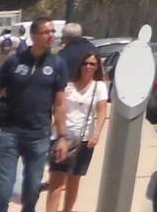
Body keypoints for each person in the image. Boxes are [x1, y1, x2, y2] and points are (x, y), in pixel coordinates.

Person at [0, 17, 68, 212]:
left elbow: (60, 104)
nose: (52, 36)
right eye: (47, 32)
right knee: (4, 189)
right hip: (11, 132)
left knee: (31, 190)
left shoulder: (58, 64)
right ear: (34, 35)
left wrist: (62, 137)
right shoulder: (14, 61)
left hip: (39, 135)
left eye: (53, 32)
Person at [47, 52, 109, 212]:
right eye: (85, 63)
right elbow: (58, 108)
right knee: (56, 181)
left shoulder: (99, 87)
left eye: (92, 64)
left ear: (97, 67)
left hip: (84, 139)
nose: (88, 67)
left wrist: (97, 133)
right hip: (63, 138)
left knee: (74, 181)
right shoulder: (68, 86)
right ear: (80, 65)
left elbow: (102, 112)